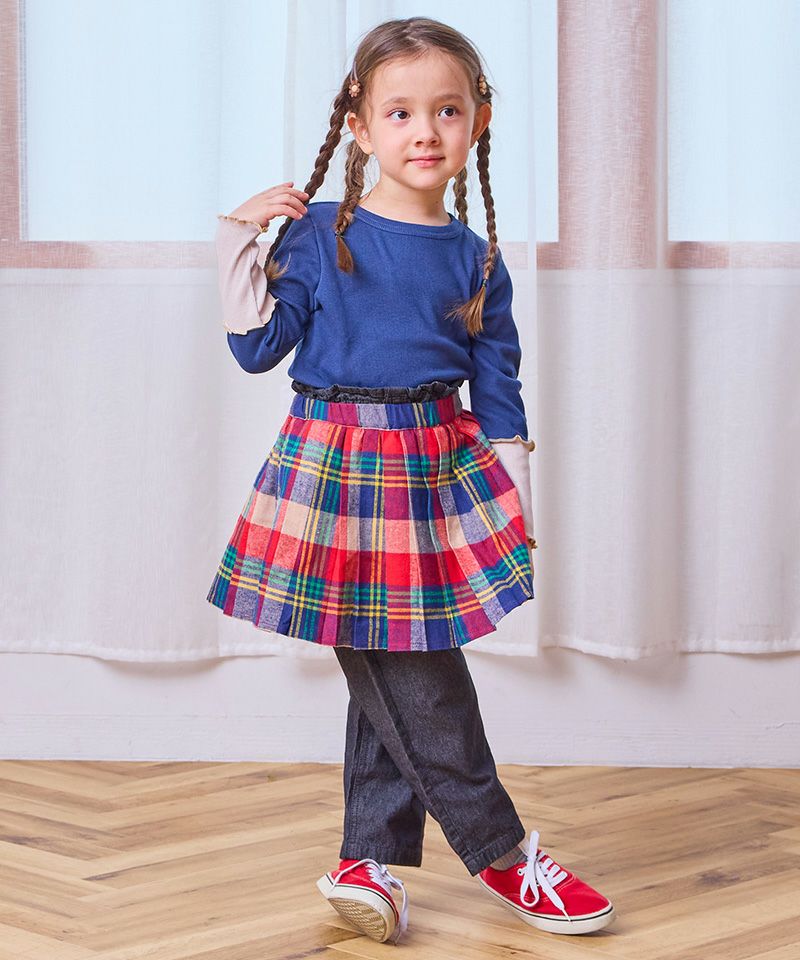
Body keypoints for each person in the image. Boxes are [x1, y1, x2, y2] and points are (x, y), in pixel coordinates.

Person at [207, 15, 614, 946]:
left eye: (447, 110)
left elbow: (499, 384)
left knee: (395, 652)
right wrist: (238, 236)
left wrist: (515, 495)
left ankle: (368, 859)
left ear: (478, 122)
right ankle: (502, 853)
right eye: (399, 112)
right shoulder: (322, 233)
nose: (425, 131)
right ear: (359, 126)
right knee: (416, 667)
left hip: (432, 471)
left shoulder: (477, 258)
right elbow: (257, 346)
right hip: (335, 468)